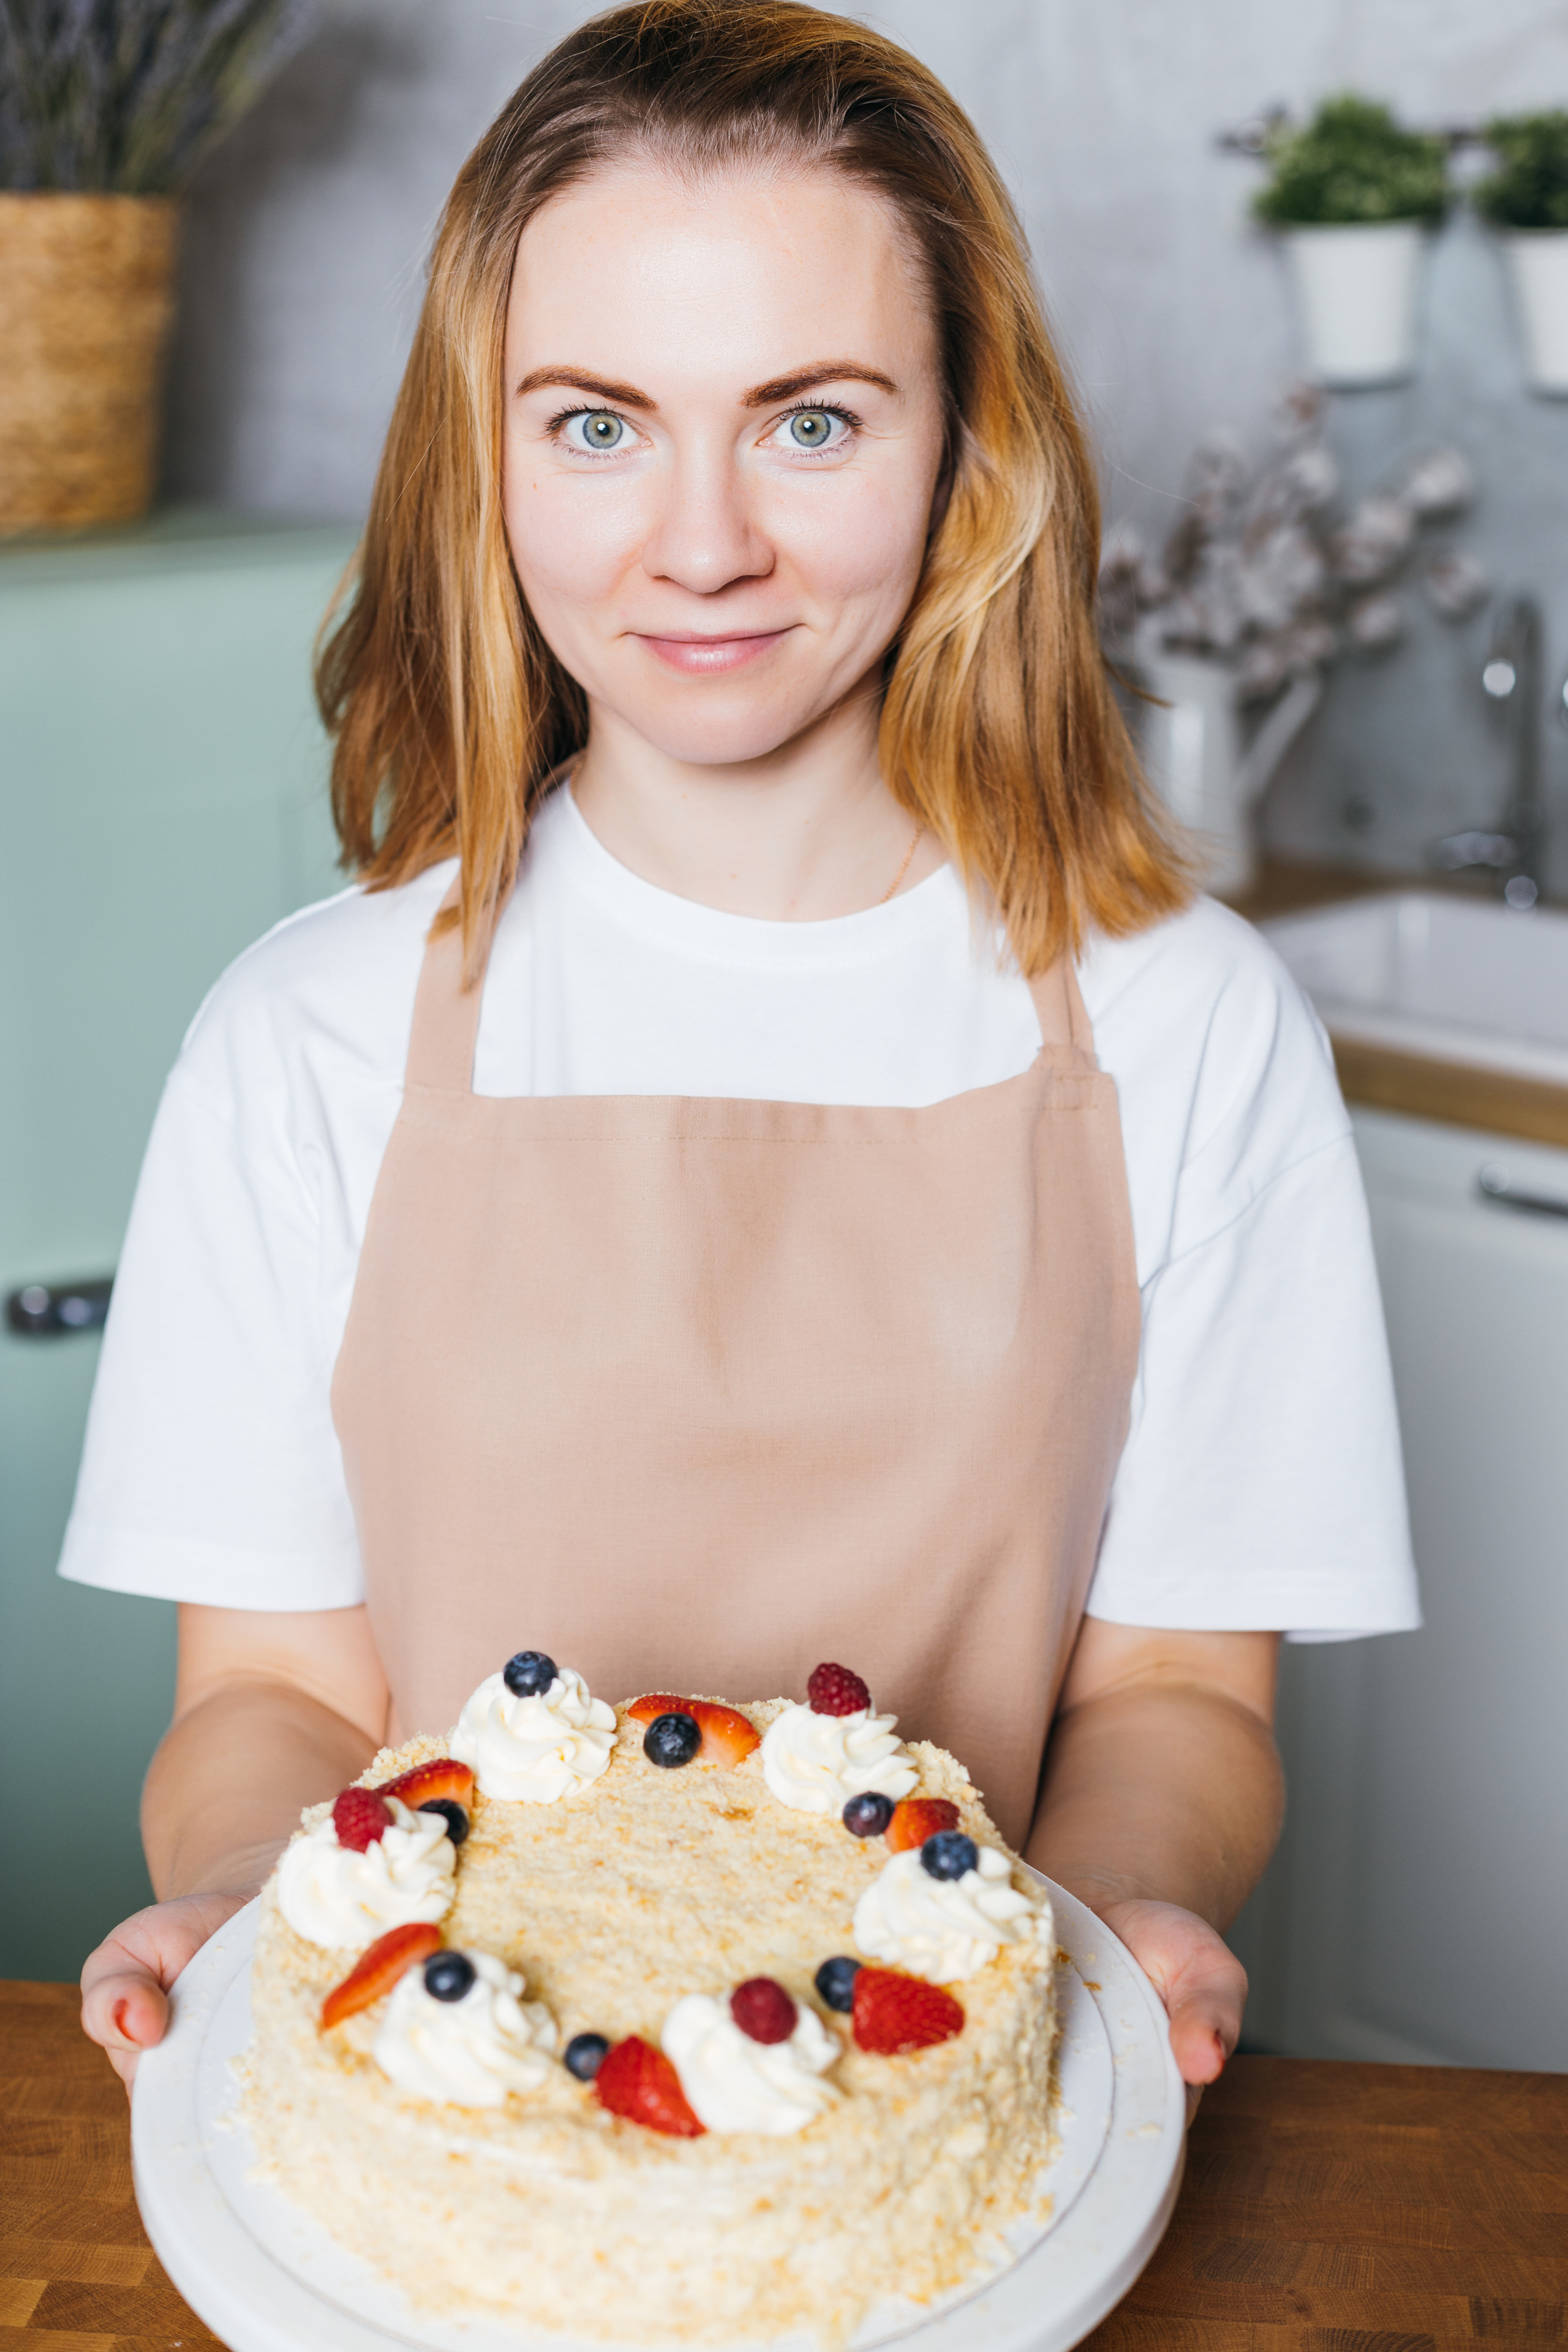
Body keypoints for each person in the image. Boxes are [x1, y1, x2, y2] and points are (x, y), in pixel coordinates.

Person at [71, 0, 1416, 2109]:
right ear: (485, 451)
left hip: (955, 2103)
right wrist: (266, 1902)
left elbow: (1175, 1695)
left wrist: (1091, 1937)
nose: (701, 543)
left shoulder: (1188, 1021)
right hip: (454, 2123)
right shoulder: (304, 1035)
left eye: (811, 420)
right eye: (599, 424)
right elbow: (268, 1695)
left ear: (970, 438)